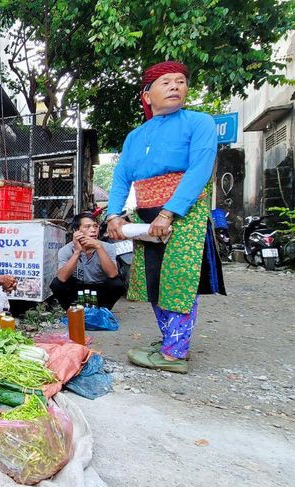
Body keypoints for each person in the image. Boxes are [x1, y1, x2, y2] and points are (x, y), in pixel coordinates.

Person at [106, 61, 226, 374]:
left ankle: (174, 354)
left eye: (180, 82)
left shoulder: (199, 123)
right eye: (165, 82)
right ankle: (170, 339)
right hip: (145, 215)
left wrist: (169, 211)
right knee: (153, 282)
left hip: (183, 213)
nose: (174, 86)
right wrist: (114, 215)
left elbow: (199, 170)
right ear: (147, 96)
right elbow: (121, 177)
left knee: (178, 281)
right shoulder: (136, 136)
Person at [50, 211, 125, 310]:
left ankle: (103, 310)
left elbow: (112, 274)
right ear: (76, 231)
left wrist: (99, 247)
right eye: (87, 227)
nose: (93, 230)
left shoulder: (108, 247)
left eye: (95, 226)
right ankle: (72, 311)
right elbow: (61, 278)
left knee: (117, 284)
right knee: (56, 284)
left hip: (99, 288)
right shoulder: (66, 250)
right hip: (77, 289)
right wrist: (77, 252)